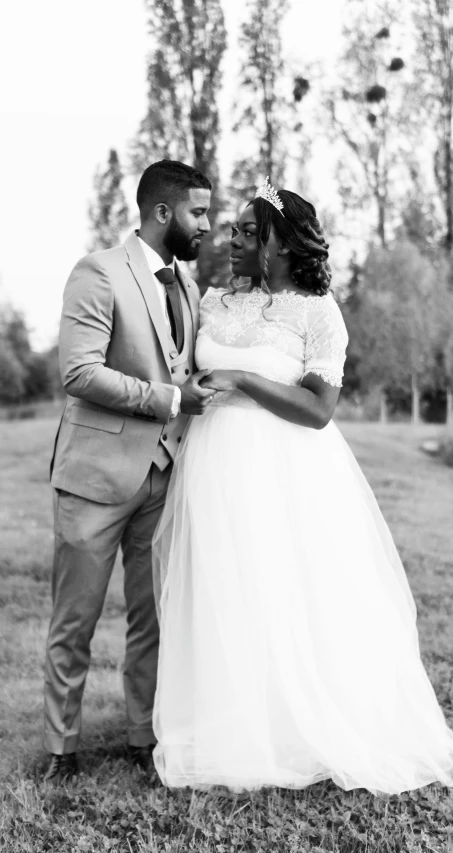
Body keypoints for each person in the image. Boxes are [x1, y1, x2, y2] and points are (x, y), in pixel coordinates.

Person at [151, 177, 453, 794]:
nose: (235, 238)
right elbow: (182, 371)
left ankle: (302, 724)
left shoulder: (320, 314)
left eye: (249, 231)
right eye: (234, 229)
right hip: (214, 468)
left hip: (289, 469)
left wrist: (243, 379)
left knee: (291, 591)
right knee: (227, 590)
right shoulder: (214, 301)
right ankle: (233, 722)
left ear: (278, 244)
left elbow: (319, 407)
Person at [44, 160, 216, 785]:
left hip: (163, 478)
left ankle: (143, 735)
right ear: (163, 213)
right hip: (94, 478)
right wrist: (168, 399)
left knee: (153, 617)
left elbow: (183, 371)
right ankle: (62, 746)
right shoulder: (98, 272)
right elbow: (79, 372)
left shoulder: (190, 290)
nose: (207, 224)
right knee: (76, 619)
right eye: (199, 212)